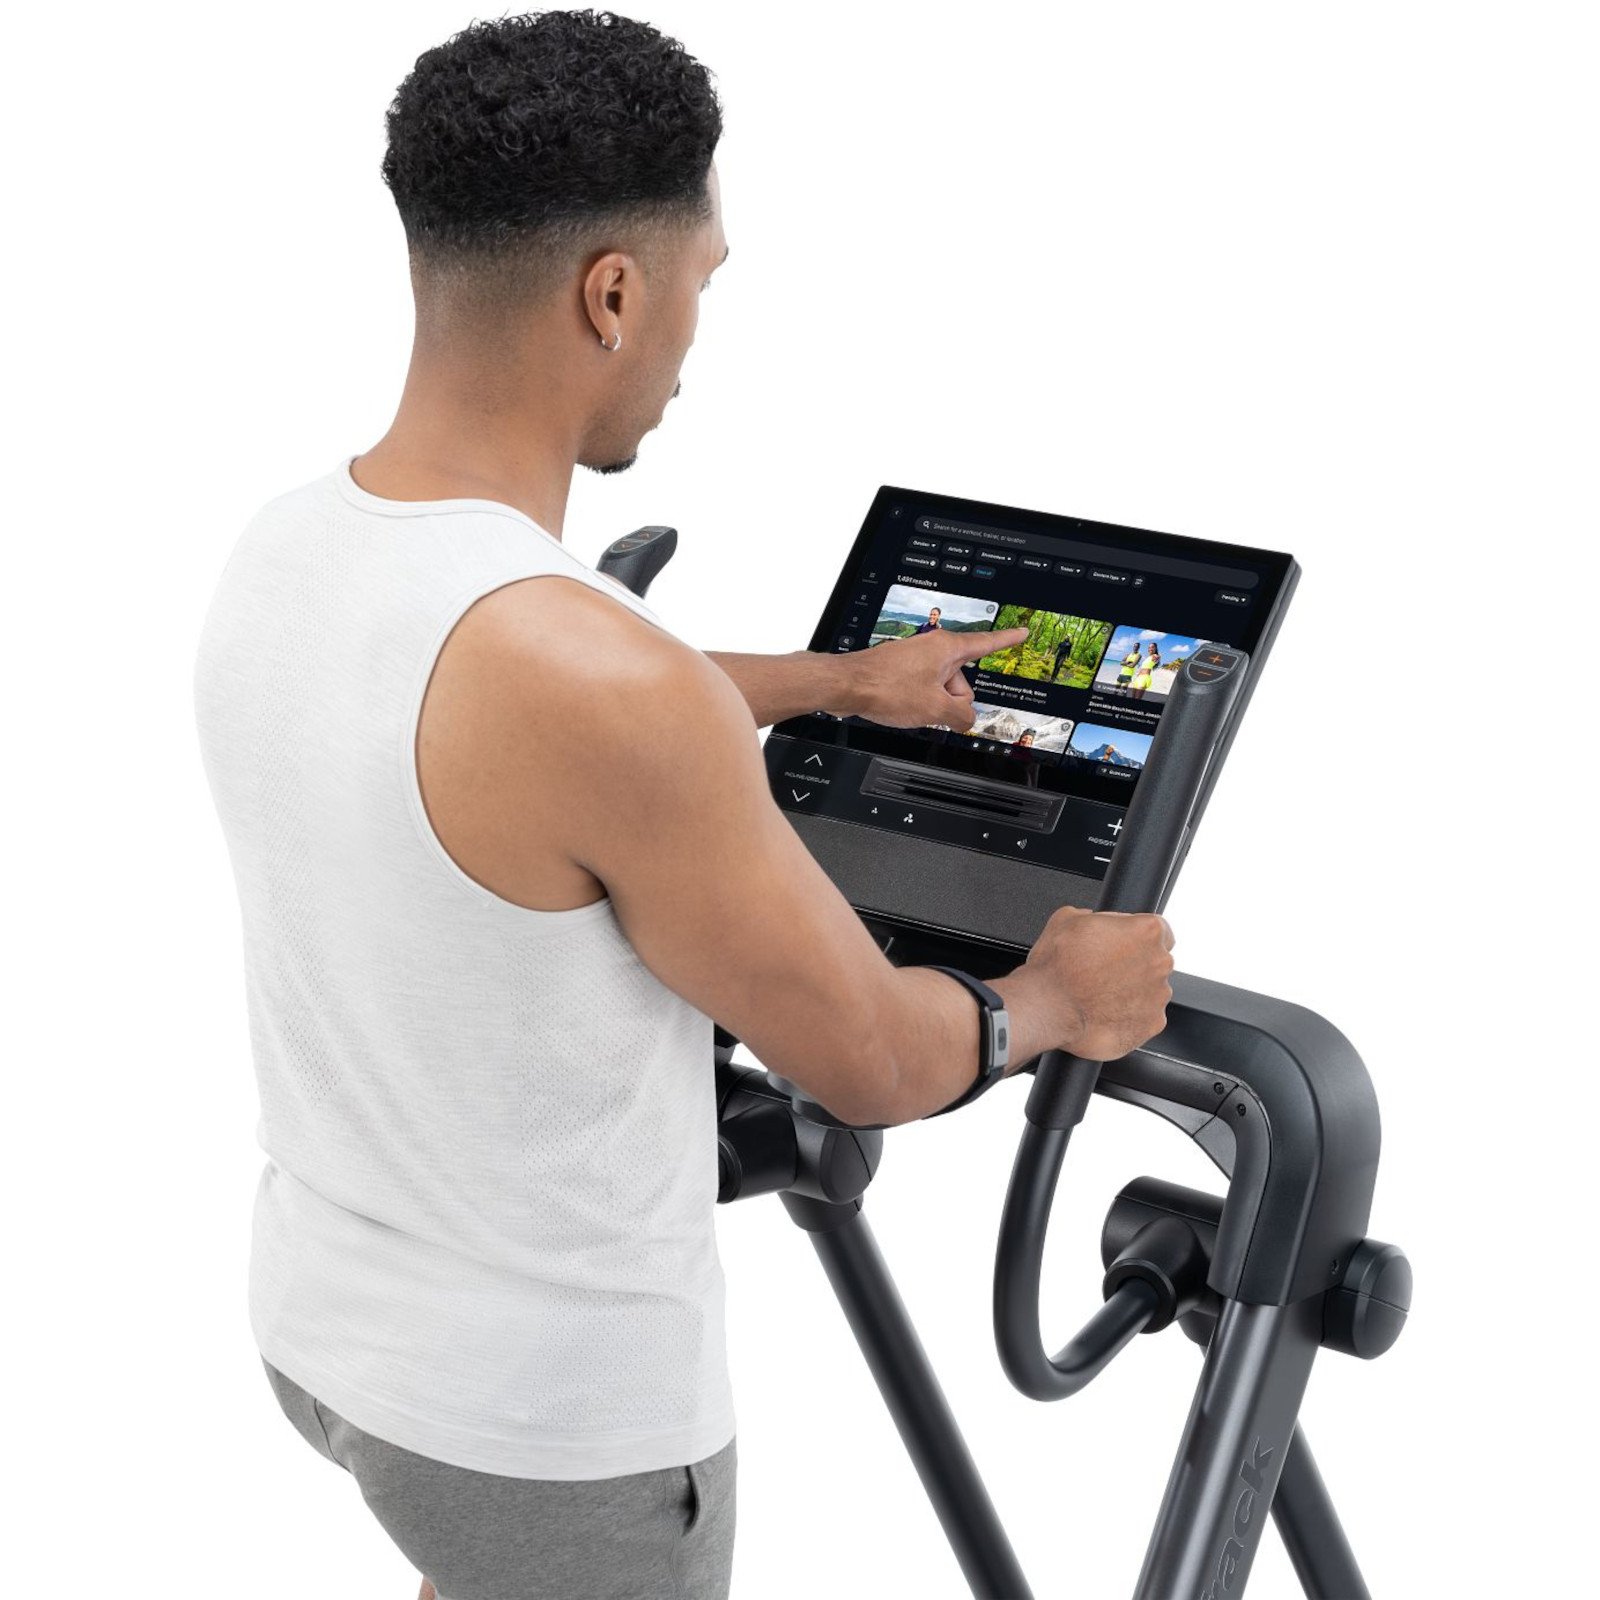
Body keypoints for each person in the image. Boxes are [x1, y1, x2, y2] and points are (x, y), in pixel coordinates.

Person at [193, 13, 1173, 1600]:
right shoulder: (602, 687)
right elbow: (868, 1060)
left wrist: (839, 684)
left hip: (331, 1338)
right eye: (702, 282)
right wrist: (1061, 994)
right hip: (553, 1440)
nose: (695, 337)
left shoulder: (291, 551)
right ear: (613, 295)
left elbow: (499, 715)